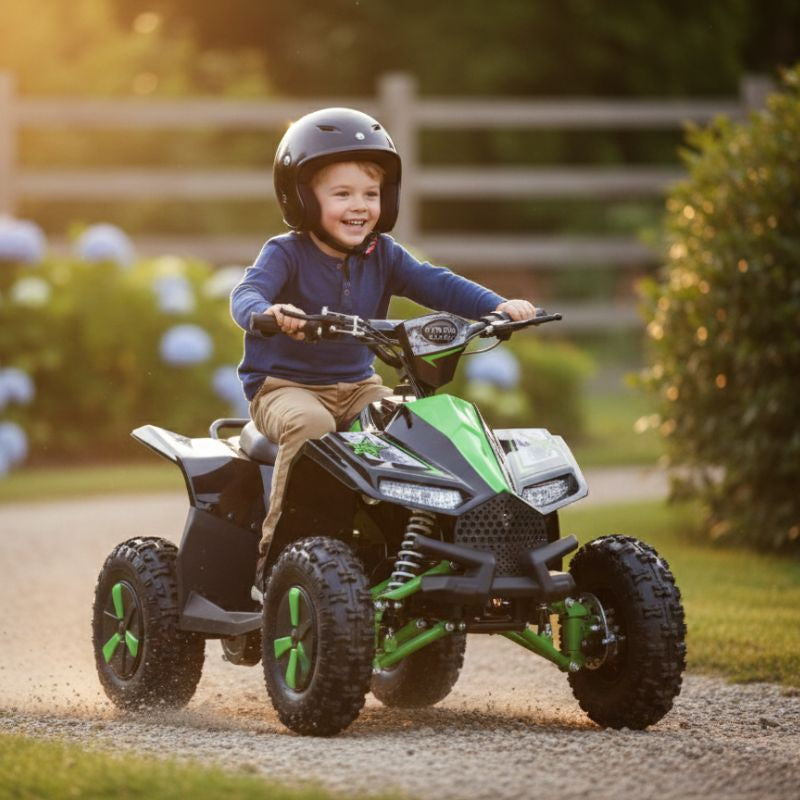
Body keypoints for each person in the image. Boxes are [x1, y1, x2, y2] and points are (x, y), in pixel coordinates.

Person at [230, 107, 535, 566]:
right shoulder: (285, 253)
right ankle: (278, 555)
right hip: (284, 388)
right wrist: (268, 313)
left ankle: (412, 555)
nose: (360, 205)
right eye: (342, 194)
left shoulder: (385, 254)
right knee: (311, 427)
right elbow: (246, 293)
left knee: (418, 429)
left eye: (370, 193)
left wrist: (496, 306)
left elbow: (437, 283)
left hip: (358, 386)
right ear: (303, 198)